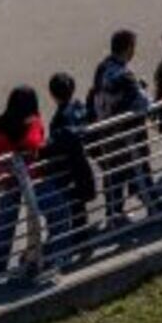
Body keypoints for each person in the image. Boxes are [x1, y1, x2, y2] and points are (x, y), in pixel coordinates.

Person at [89, 32, 162, 228]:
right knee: (140, 170)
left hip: (106, 132)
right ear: (129, 48)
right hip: (127, 134)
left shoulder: (102, 68)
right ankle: (154, 209)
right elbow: (145, 103)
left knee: (113, 174)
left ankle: (114, 214)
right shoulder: (125, 75)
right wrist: (142, 88)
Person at [0, 86, 45, 286]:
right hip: (28, 180)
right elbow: (35, 144)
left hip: (6, 181)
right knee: (33, 220)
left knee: (3, 224)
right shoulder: (32, 123)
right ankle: (32, 260)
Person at [39, 72, 96, 269]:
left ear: (52, 94)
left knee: (71, 209)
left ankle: (74, 247)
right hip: (81, 168)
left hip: (67, 172)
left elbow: (58, 144)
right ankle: (83, 245)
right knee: (79, 208)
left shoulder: (60, 118)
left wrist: (42, 150)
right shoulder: (79, 108)